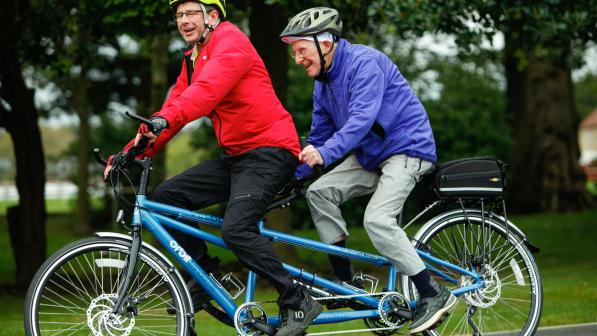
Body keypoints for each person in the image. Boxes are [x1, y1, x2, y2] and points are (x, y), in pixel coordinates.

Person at [104, 1, 322, 335]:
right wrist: (128, 152)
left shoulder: (231, 42)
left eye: (191, 13)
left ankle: (297, 299)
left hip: (270, 151)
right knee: (167, 198)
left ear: (213, 17)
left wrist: (168, 117)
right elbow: (173, 108)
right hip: (237, 156)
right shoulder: (193, 57)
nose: (183, 20)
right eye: (178, 15)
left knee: (236, 229)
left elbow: (205, 94)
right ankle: (203, 273)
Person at [280, 7, 457, 334]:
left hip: (406, 149)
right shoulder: (323, 83)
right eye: (294, 53)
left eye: (301, 51)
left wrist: (324, 152)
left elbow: (360, 122)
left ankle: (434, 293)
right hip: (372, 157)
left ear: (327, 42)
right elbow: (319, 136)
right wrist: (293, 178)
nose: (297, 59)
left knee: (376, 219)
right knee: (319, 194)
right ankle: (347, 283)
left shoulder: (365, 63)